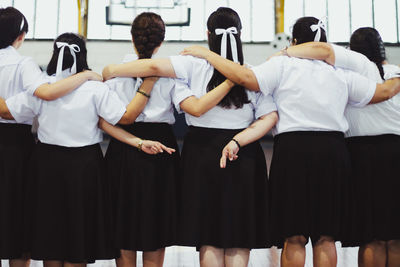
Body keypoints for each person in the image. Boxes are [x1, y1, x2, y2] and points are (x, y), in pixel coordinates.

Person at [180, 16, 400, 267]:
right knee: (325, 237)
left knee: (294, 237)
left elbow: (243, 77)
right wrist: (396, 80)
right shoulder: (340, 72)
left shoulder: (281, 65)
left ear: (294, 42)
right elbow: (382, 93)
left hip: (293, 151)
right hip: (332, 151)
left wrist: (209, 55)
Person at [102, 7, 278, 267]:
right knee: (240, 236)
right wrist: (239, 139)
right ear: (240, 34)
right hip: (244, 153)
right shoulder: (250, 73)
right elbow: (269, 117)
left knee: (208, 237)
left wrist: (111, 69)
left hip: (203, 153)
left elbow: (155, 70)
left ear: (208, 35)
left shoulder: (192, 64)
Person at [0, 32, 174, 267]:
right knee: (79, 237)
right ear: (83, 56)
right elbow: (125, 117)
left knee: (52, 233)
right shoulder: (95, 89)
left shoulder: (41, 89)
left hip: (47, 165)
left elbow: (7, 112)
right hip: (84, 167)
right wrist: (148, 83)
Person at [279, 27, 400, 267]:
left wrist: (284, 53)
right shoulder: (394, 73)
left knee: (371, 236)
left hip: (360, 154)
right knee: (396, 236)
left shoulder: (349, 71)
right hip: (396, 153)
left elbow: (323, 50)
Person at [0, 7, 105, 267]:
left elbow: (15, 106)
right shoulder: (22, 64)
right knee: (17, 224)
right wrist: (85, 75)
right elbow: (46, 92)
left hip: (36, 153)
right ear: (21, 36)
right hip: (15, 146)